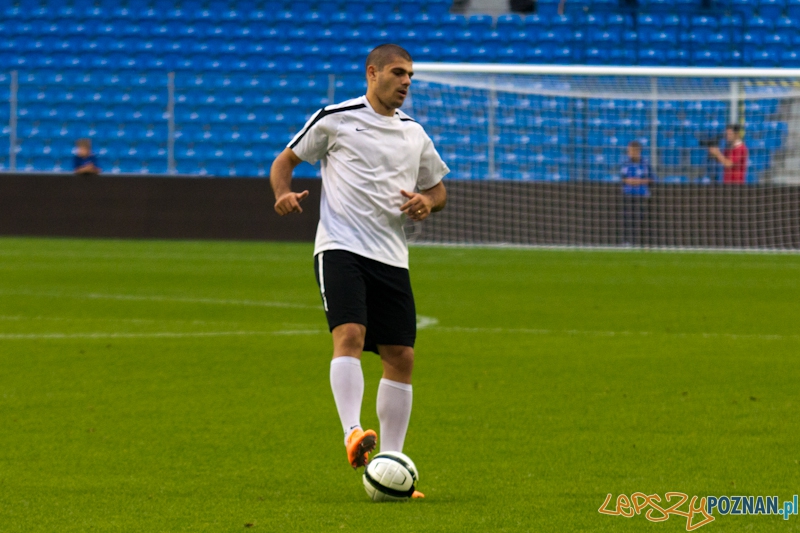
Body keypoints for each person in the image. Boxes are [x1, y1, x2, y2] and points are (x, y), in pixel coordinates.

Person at [269, 44, 449, 497]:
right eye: (397, 72)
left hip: (392, 256)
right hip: (340, 248)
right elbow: (284, 161)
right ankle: (352, 431)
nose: (406, 81)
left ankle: (390, 462)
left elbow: (438, 187)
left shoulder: (414, 133)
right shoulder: (336, 117)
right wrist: (282, 193)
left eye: (410, 75)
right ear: (372, 73)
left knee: (401, 357)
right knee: (348, 334)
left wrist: (427, 201)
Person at [620, 140, 654, 246]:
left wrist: (637, 181)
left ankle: (639, 242)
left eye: (632, 151)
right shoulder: (626, 163)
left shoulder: (645, 164)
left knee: (640, 219)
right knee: (627, 218)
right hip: (628, 194)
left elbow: (651, 179)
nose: (630, 153)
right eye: (629, 151)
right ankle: (627, 241)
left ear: (638, 151)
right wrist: (633, 181)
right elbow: (623, 178)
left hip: (641, 194)